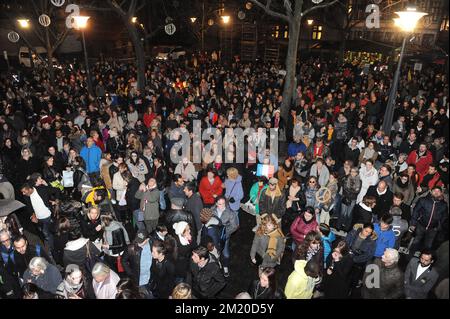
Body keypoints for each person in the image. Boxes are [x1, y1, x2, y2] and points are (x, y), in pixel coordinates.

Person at [20, 182, 58, 254]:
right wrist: (33, 215)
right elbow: (29, 207)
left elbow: (56, 190)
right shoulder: (26, 197)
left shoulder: (41, 190)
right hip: (38, 220)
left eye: (24, 192)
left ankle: (52, 249)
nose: (23, 194)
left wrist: (57, 200)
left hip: (48, 216)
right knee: (44, 233)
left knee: (47, 233)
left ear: (30, 189)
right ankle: (51, 245)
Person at [410, 186, 448, 253]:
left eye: (438, 191)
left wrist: (438, 227)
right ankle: (409, 257)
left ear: (441, 193)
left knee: (428, 245)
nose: (436, 193)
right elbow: (416, 211)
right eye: (434, 191)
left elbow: (444, 217)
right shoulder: (423, 200)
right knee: (416, 241)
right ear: (431, 192)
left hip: (433, 229)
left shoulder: (444, 205)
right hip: (420, 225)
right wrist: (413, 224)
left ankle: (425, 258)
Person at [211, 197, 239, 277]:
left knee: (226, 254)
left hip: (224, 236)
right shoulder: (212, 210)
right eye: (220, 204)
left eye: (224, 203)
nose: (222, 206)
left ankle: (225, 267)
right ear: (216, 204)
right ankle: (217, 265)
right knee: (215, 252)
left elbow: (234, 226)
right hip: (214, 235)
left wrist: (225, 233)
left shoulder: (230, 213)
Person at [121, 229, 153, 298]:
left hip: (149, 277)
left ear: (147, 239)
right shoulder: (131, 248)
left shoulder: (152, 245)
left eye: (141, 241)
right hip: (138, 278)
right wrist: (130, 272)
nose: (138, 243)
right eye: (138, 240)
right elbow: (123, 260)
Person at [338, 167, 362, 231]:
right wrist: (351, 190)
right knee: (343, 212)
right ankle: (339, 226)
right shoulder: (346, 178)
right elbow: (343, 186)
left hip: (353, 199)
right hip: (345, 197)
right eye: (351, 171)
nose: (352, 173)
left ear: (357, 173)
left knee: (349, 214)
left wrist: (349, 190)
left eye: (354, 172)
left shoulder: (359, 181)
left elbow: (357, 191)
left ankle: (346, 227)